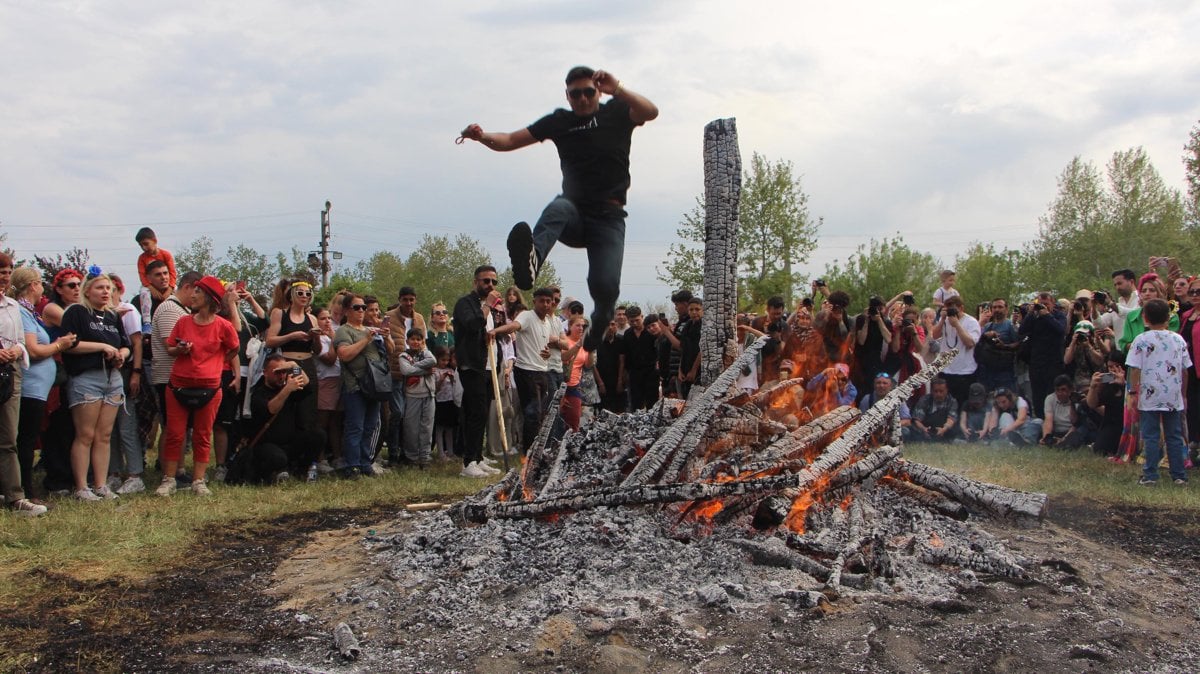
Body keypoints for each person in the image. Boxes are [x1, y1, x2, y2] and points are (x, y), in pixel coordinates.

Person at [460, 65, 659, 352]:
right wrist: (481, 136)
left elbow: (650, 112)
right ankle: (533, 260)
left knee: (605, 286)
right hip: (574, 214)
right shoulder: (559, 121)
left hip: (609, 218)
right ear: (567, 96)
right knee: (558, 207)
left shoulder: (615, 111)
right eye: (575, 94)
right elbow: (511, 140)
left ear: (597, 92)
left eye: (588, 92)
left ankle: (599, 323)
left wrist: (618, 88)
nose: (582, 99)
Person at [157, 276, 239, 497]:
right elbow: (170, 349)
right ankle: (169, 479)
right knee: (175, 433)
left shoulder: (224, 326)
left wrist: (217, 362)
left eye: (198, 292)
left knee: (202, 435)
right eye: (192, 291)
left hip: (210, 388)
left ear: (210, 298)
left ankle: (198, 481)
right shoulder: (184, 322)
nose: (192, 295)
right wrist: (181, 350)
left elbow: (233, 349)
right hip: (178, 386)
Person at [60, 274, 130, 501]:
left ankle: (100, 484)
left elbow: (126, 345)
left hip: (112, 378)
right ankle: (81, 487)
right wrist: (101, 346)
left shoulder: (112, 315)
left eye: (108, 288)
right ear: (87, 290)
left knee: (104, 434)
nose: (105, 292)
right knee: (86, 434)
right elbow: (70, 344)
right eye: (100, 287)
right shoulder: (76, 312)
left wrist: (121, 354)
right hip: (86, 378)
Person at [12, 267, 73, 504]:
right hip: (30, 388)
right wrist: (60, 345)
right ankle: (25, 491)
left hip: (38, 389)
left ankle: (24, 488)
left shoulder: (31, 313)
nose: (42, 287)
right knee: (25, 440)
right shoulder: (23, 312)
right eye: (39, 283)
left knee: (28, 439)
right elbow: (33, 350)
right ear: (31, 286)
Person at [228, 355, 324, 485]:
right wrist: (287, 389)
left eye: (284, 372)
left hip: (290, 443)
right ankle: (274, 472)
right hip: (267, 445)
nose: (281, 376)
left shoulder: (289, 388)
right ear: (265, 373)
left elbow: (306, 383)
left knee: (317, 435)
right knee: (278, 458)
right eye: (277, 372)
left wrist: (293, 365)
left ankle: (302, 469)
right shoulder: (258, 393)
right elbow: (271, 408)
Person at [488, 287, 563, 454]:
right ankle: (529, 453)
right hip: (526, 372)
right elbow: (513, 326)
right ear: (534, 301)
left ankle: (535, 449)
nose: (545, 304)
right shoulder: (527, 316)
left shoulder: (547, 323)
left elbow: (542, 346)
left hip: (542, 371)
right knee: (532, 413)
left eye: (548, 301)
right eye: (541, 301)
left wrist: (547, 353)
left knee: (540, 413)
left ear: (552, 304)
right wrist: (495, 331)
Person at [0, 257, 47, 516]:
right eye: (0, 272)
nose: (5, 276)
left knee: (9, 438)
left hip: (10, 374)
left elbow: (20, 341)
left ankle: (15, 496)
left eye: (8, 272)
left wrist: (15, 350)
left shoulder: (12, 307)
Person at [1127, 299, 1191, 485]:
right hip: (1172, 395)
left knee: (1151, 436)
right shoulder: (1178, 339)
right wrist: (1184, 394)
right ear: (1168, 317)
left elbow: (1135, 368)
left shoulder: (1141, 340)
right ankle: (1179, 475)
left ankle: (1150, 475)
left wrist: (1132, 392)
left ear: (1145, 318)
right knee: (1174, 435)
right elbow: (1185, 370)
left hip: (1149, 395)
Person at [335, 293, 394, 479]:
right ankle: (352, 465)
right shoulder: (344, 331)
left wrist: (387, 337)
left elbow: (390, 351)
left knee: (370, 426)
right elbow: (344, 354)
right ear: (346, 311)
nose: (361, 311)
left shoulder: (371, 329)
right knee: (355, 427)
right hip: (356, 385)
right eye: (356, 307)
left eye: (363, 308)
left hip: (375, 386)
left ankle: (364, 462)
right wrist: (366, 339)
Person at [454, 267, 505, 478]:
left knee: (480, 413)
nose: (490, 285)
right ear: (476, 282)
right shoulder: (465, 303)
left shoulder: (490, 308)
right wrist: (487, 306)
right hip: (472, 365)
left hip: (488, 366)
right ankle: (468, 463)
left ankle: (477, 457)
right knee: (477, 412)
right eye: (486, 281)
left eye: (494, 281)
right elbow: (474, 324)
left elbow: (488, 332)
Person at [105, 274, 146, 494]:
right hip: (106, 372)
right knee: (109, 428)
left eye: (110, 288)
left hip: (126, 370)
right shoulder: (100, 313)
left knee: (126, 424)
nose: (106, 293)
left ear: (119, 290)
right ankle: (113, 472)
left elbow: (136, 342)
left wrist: (136, 373)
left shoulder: (128, 310)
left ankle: (135, 474)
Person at [1019, 292, 1067, 418]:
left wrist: (1047, 316)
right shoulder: (1034, 317)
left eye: (1046, 304)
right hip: (1036, 362)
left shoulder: (1059, 316)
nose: (1043, 307)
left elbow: (1061, 330)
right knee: (1038, 395)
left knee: (1053, 394)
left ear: (1052, 304)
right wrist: (1030, 314)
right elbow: (1022, 330)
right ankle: (1040, 421)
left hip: (1054, 362)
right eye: (1040, 304)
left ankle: (1054, 421)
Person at [930, 296, 981, 405]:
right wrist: (942, 319)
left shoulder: (971, 322)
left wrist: (957, 324)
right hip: (946, 370)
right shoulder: (945, 320)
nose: (950, 312)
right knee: (944, 404)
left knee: (961, 404)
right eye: (948, 309)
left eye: (953, 309)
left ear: (961, 308)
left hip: (964, 371)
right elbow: (934, 335)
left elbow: (970, 343)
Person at [397, 329, 437, 468]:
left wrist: (415, 367)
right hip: (413, 394)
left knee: (427, 427)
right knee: (411, 427)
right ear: (407, 341)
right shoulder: (403, 356)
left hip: (429, 393)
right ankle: (411, 456)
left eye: (418, 339)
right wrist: (425, 370)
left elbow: (433, 360)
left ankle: (424, 456)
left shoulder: (426, 353)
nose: (415, 342)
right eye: (413, 339)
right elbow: (406, 371)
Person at [313, 307, 342, 474]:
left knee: (336, 422)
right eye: (323, 318)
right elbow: (330, 360)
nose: (327, 321)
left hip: (339, 380)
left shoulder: (333, 336)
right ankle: (320, 458)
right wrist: (333, 341)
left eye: (329, 318)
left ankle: (337, 456)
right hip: (325, 381)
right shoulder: (319, 340)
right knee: (322, 421)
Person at [1085, 351, 1127, 457]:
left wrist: (1124, 385)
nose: (1113, 370)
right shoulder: (1107, 381)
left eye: (1116, 366)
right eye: (1110, 367)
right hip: (1111, 424)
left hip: (1127, 424)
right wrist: (1093, 387)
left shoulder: (1131, 380)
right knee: (1100, 450)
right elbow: (1092, 404)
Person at [975, 298, 1019, 393]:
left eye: (1000, 307)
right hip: (988, 370)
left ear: (1006, 309)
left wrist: (1004, 346)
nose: (997, 310)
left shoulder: (1010, 325)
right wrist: (986, 336)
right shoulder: (988, 326)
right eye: (994, 307)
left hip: (1004, 371)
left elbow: (1018, 344)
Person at [619, 306, 658, 410]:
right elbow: (625, 354)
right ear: (628, 320)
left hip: (651, 371)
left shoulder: (651, 331)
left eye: (637, 320)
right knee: (636, 403)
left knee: (652, 402)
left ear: (642, 317)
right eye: (632, 321)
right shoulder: (627, 334)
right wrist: (624, 372)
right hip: (635, 373)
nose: (635, 323)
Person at [560, 317, 591, 431]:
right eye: (578, 325)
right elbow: (564, 357)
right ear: (570, 327)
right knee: (556, 422)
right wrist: (578, 344)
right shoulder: (565, 341)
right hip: (560, 385)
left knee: (573, 422)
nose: (581, 328)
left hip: (574, 386)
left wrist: (591, 350)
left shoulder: (585, 345)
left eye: (583, 326)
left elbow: (588, 365)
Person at [857, 373, 911, 440]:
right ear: (874, 385)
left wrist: (889, 426)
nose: (881, 386)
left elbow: (907, 421)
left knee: (905, 431)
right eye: (878, 383)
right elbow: (860, 420)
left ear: (891, 386)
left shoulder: (898, 399)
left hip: (890, 429)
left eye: (885, 383)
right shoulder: (867, 399)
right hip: (872, 430)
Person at [431, 346, 460, 462]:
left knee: (449, 428)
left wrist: (452, 379)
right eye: (443, 360)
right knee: (439, 428)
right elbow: (435, 389)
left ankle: (451, 451)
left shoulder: (452, 371)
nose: (445, 362)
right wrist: (441, 379)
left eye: (447, 360)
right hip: (440, 402)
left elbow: (455, 387)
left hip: (450, 402)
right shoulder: (435, 372)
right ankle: (441, 453)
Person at [135, 227, 177, 303]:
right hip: (149, 285)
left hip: (167, 284)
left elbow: (172, 272)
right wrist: (151, 288)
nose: (144, 248)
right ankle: (146, 315)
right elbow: (142, 276)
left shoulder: (166, 255)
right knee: (144, 293)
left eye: (146, 244)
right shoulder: (142, 258)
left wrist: (170, 289)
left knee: (178, 291)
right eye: (141, 246)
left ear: (155, 241)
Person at [1040, 375, 1084, 448]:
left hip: (1071, 431)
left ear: (1070, 390)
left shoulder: (1077, 400)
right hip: (1056, 431)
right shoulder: (1050, 398)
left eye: (1063, 390)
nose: (1060, 393)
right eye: (1057, 390)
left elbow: (1075, 424)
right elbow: (1048, 420)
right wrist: (1047, 438)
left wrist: (1064, 439)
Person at [912, 378, 959, 442]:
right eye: (935, 391)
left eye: (941, 391)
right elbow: (917, 420)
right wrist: (924, 429)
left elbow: (951, 419)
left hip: (944, 429)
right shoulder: (924, 400)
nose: (938, 394)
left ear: (946, 390)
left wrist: (944, 429)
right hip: (926, 429)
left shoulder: (952, 401)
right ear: (931, 391)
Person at [677, 298, 703, 398]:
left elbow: (703, 349)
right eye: (691, 310)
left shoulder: (704, 326)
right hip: (685, 368)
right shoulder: (687, 326)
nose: (694, 312)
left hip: (699, 370)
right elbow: (683, 349)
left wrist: (694, 370)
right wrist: (680, 370)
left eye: (697, 309)